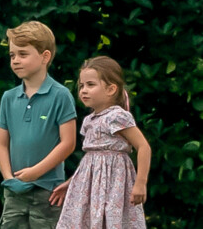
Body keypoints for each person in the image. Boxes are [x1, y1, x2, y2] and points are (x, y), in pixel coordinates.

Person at [50, 55, 151, 228]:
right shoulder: (89, 120)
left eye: (90, 85)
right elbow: (90, 162)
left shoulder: (118, 116)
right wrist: (72, 182)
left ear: (111, 89)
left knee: (111, 219)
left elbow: (143, 147)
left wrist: (140, 183)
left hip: (114, 184)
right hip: (89, 188)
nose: (83, 90)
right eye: (81, 86)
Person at [0, 21, 77, 229]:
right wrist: (9, 178)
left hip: (48, 192)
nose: (15, 60)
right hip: (13, 192)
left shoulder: (61, 95)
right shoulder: (8, 98)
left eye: (23, 54)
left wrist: (36, 172)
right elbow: (2, 144)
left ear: (45, 57)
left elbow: (68, 143)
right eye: (12, 55)